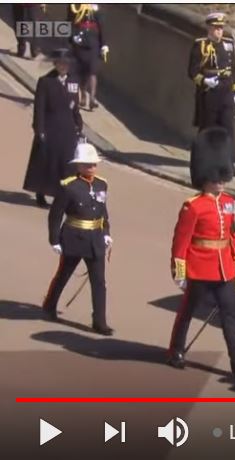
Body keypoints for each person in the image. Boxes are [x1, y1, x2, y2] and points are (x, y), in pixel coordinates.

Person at [166, 127, 235, 379]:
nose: (221, 182)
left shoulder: (228, 202)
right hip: (199, 267)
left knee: (230, 315)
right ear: (205, 176)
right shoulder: (193, 207)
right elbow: (181, 241)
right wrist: (179, 271)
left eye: (223, 177)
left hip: (224, 269)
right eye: (217, 178)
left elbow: (232, 236)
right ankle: (175, 351)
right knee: (187, 312)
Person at [41, 143, 113, 336]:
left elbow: (102, 211)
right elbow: (55, 215)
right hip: (74, 237)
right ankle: (49, 305)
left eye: (94, 164)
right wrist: (54, 240)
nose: (91, 167)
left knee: (99, 282)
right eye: (87, 164)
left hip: (95, 238)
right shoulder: (69, 186)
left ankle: (99, 321)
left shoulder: (101, 184)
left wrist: (106, 232)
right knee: (64, 274)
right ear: (78, 165)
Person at [23, 48, 83, 208]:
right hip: (50, 127)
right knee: (47, 162)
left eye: (66, 64)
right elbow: (39, 108)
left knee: (67, 163)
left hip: (67, 128)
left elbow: (75, 107)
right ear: (55, 64)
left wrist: (79, 124)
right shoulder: (45, 81)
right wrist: (39, 129)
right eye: (60, 63)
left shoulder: (73, 81)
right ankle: (41, 192)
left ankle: (66, 195)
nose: (63, 66)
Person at [187, 12, 235, 176]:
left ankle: (228, 164)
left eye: (221, 28)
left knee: (228, 129)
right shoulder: (201, 45)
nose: (219, 31)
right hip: (209, 93)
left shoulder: (228, 44)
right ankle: (203, 162)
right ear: (209, 28)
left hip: (226, 92)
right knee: (207, 129)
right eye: (216, 28)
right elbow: (192, 72)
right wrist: (205, 81)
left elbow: (233, 71)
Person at [67, 3, 108, 111]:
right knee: (83, 73)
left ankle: (92, 98)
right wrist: (72, 36)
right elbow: (70, 21)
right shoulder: (75, 6)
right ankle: (83, 94)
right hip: (79, 44)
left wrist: (104, 44)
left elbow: (102, 27)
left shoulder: (96, 9)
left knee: (92, 71)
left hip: (93, 44)